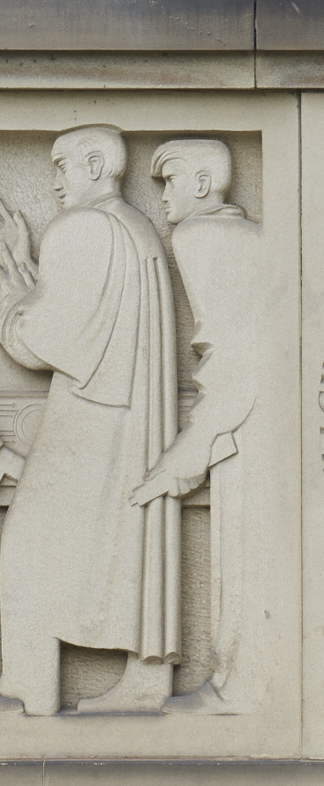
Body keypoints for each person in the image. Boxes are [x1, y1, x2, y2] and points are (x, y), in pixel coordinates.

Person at [0, 125, 178, 715]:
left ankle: (28, 693)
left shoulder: (83, 228)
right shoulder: (134, 228)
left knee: (26, 547)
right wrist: (18, 261)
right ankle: (144, 682)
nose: (57, 181)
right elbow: (85, 318)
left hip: (90, 424)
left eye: (63, 166)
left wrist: (6, 297)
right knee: (126, 553)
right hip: (130, 419)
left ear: (95, 163)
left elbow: (41, 340)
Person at [138, 139, 288, 715]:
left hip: (249, 423)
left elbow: (230, 355)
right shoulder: (254, 236)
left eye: (171, 182)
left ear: (201, 185)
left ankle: (241, 688)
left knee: (245, 555)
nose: (166, 197)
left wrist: (189, 451)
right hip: (277, 417)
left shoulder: (202, 236)